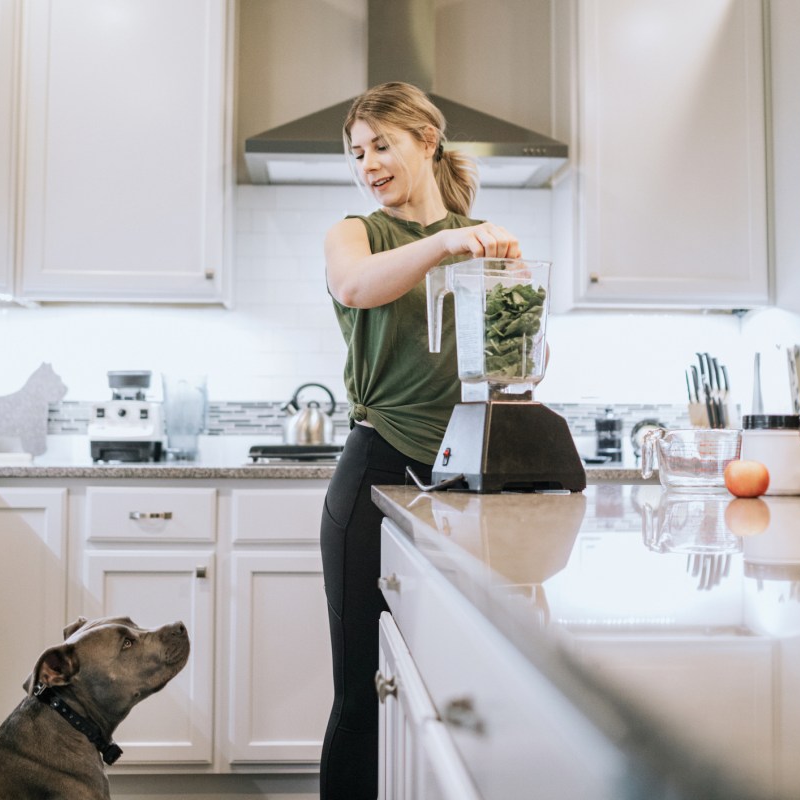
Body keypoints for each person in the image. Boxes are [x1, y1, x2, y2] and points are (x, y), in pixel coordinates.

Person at [319, 81, 523, 799]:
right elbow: (355, 286)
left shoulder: (481, 241)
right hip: (377, 474)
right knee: (361, 695)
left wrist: (523, 317)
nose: (367, 163)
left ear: (426, 141)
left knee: (450, 693)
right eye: (357, 152)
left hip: (465, 480)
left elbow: (514, 362)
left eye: (381, 145)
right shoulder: (358, 232)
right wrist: (449, 241)